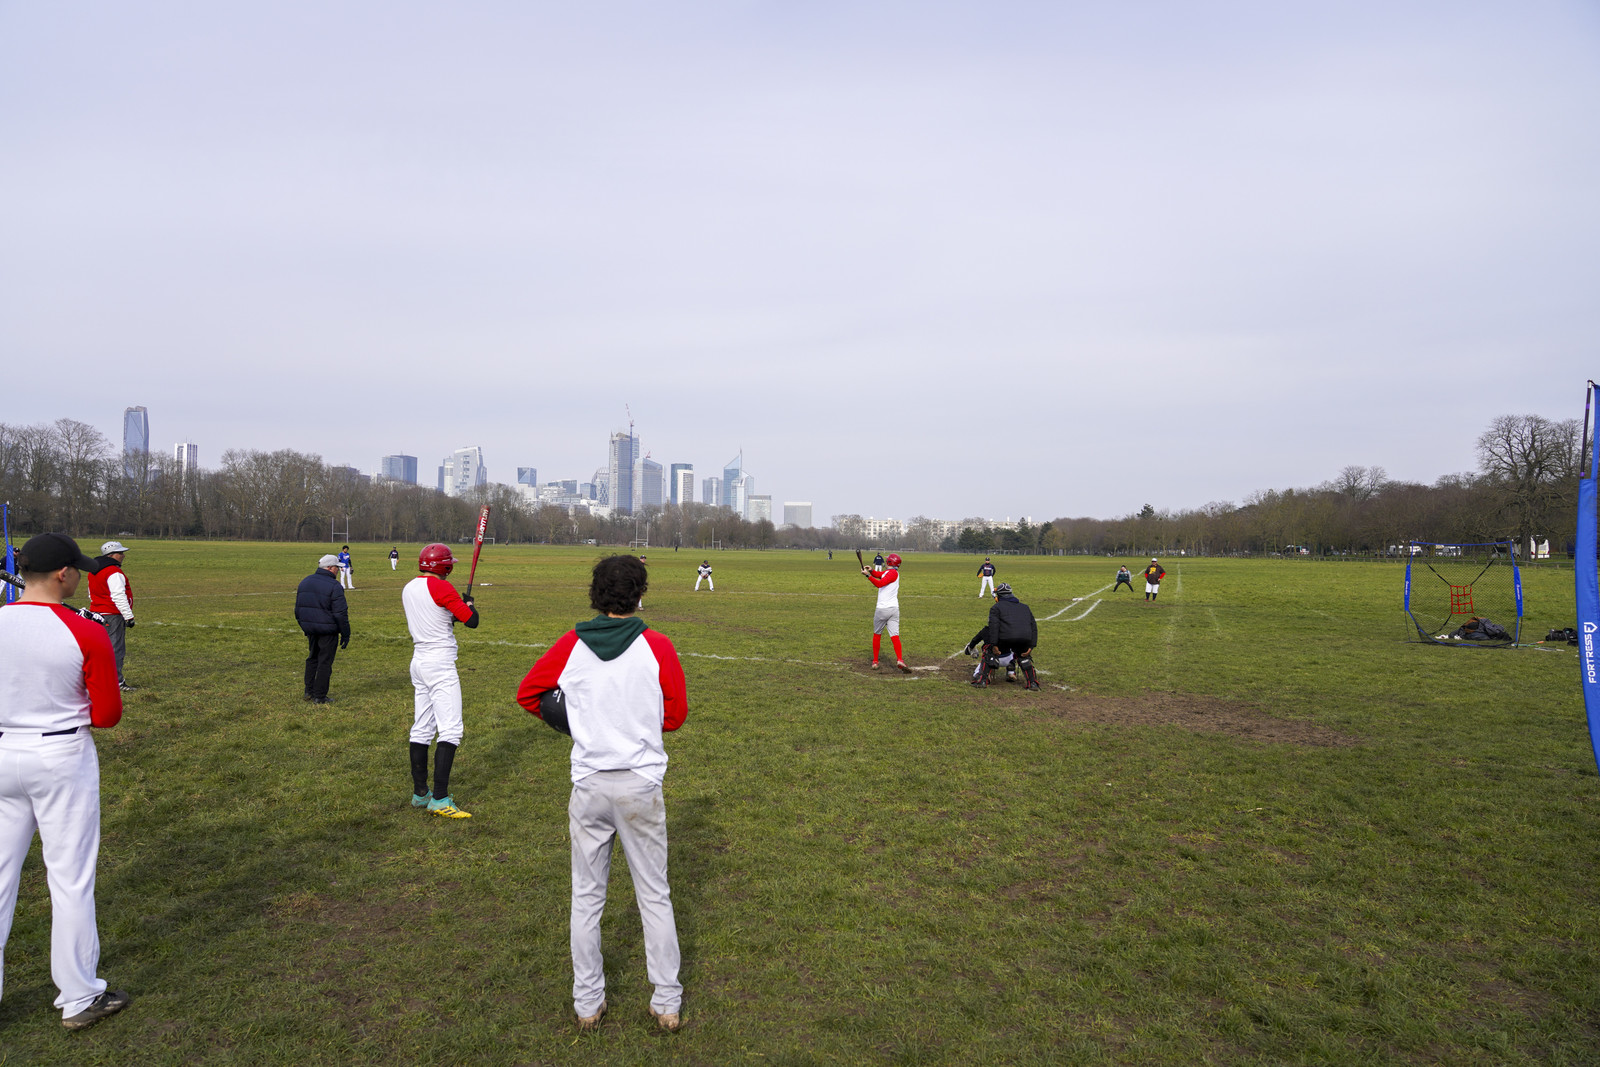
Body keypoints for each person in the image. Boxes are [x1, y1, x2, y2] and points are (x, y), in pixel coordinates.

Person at [516, 555, 688, 1033]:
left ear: (595, 594)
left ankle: (588, 1002)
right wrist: (632, 724)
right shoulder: (657, 645)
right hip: (639, 785)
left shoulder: (572, 643)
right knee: (654, 895)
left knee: (587, 897)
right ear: (640, 593)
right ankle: (666, 1002)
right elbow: (675, 715)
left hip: (590, 784)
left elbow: (529, 694)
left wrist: (583, 724)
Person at [0, 532, 131, 1030]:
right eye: (76, 568)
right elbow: (108, 714)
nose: (79, 575)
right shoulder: (84, 630)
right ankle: (78, 996)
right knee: (70, 877)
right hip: (61, 755)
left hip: (4, 750)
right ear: (62, 574)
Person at [403, 544, 480, 819]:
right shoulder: (442, 588)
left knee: (421, 728)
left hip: (418, 662)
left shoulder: (409, 587)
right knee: (451, 730)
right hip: (440, 664)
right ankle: (440, 798)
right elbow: (472, 621)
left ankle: (420, 793)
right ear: (444, 566)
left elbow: (437, 616)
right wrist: (469, 605)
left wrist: (455, 610)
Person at [294, 554, 350, 704]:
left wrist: (305, 626)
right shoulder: (334, 586)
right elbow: (340, 613)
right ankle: (319, 695)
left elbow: (298, 609)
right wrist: (345, 633)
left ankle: (309, 691)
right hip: (328, 631)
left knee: (312, 658)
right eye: (337, 567)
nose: (338, 570)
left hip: (311, 629)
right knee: (324, 662)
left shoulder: (305, 581)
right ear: (330, 568)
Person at [967, 582, 1040, 689]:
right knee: (1024, 656)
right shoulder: (1025, 607)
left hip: (1005, 638)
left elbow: (993, 627)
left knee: (989, 652)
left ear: (999, 595)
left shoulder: (996, 608)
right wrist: (1031, 645)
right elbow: (1033, 627)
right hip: (1024, 639)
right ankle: (1032, 683)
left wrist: (994, 644)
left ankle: (982, 680)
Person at [86, 540, 136, 692]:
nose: (123, 556)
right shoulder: (114, 572)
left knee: (99, 649)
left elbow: (91, 594)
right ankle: (116, 682)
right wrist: (128, 616)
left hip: (96, 614)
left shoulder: (93, 571)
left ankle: (97, 679)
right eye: (120, 553)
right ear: (112, 555)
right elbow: (118, 595)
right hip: (112, 615)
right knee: (115, 649)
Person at [862, 552, 911, 673]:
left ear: (889, 562)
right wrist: (871, 571)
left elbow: (879, 584)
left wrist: (868, 576)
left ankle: (875, 661)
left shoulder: (892, 573)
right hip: (893, 609)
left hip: (882, 609)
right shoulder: (891, 572)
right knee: (895, 636)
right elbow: (880, 575)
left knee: (877, 635)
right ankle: (900, 660)